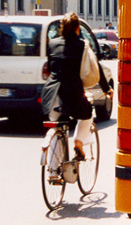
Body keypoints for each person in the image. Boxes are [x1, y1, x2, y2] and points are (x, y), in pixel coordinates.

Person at [41, 13, 112, 160]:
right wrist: (106, 89)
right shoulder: (82, 45)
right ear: (77, 28)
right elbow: (96, 67)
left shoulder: (52, 44)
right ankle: (78, 143)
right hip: (72, 93)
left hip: (51, 94)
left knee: (56, 123)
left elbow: (51, 68)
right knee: (87, 115)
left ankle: (54, 166)